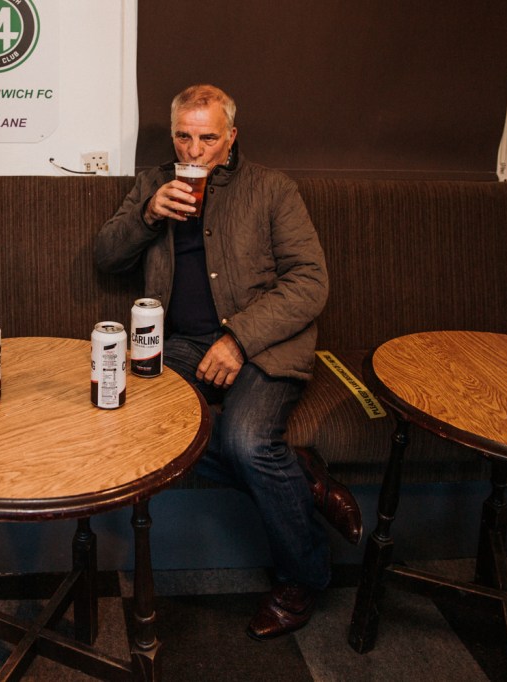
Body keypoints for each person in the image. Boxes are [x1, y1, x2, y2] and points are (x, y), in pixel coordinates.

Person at [95, 84, 361, 640]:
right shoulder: (152, 183)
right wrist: (148, 214)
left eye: (208, 139)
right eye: (183, 137)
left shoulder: (272, 188)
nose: (194, 151)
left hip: (263, 344)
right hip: (178, 344)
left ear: (232, 137)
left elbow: (311, 282)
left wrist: (239, 339)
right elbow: (106, 256)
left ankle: (302, 576)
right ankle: (304, 478)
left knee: (247, 442)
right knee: (132, 418)